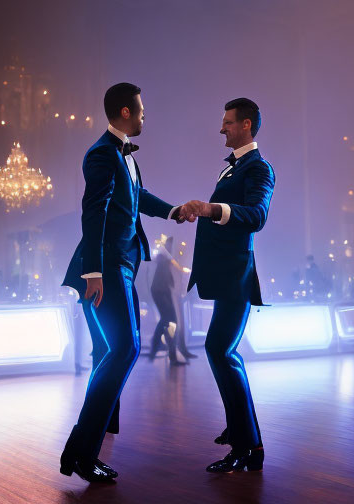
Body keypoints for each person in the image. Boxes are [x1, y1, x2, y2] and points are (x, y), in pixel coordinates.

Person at [60, 83, 186, 484]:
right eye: (142, 110)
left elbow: (138, 196)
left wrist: (174, 211)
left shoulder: (123, 155)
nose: (146, 115)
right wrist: (93, 271)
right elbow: (93, 212)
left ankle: (82, 449)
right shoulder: (101, 154)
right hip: (106, 267)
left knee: (110, 352)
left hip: (124, 265)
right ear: (126, 112)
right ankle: (81, 451)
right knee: (125, 348)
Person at [182, 98, 275, 474]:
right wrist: (200, 212)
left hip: (236, 275)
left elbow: (256, 216)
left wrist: (208, 209)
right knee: (222, 352)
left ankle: (247, 444)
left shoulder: (259, 168)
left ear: (246, 125)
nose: (222, 128)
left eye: (228, 122)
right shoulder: (233, 169)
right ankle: (245, 438)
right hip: (224, 275)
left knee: (221, 351)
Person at [148, 243, 185, 366]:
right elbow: (166, 280)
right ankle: (160, 349)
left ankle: (158, 348)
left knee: (167, 321)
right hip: (161, 292)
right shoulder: (165, 260)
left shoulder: (164, 260)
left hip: (161, 292)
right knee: (169, 321)